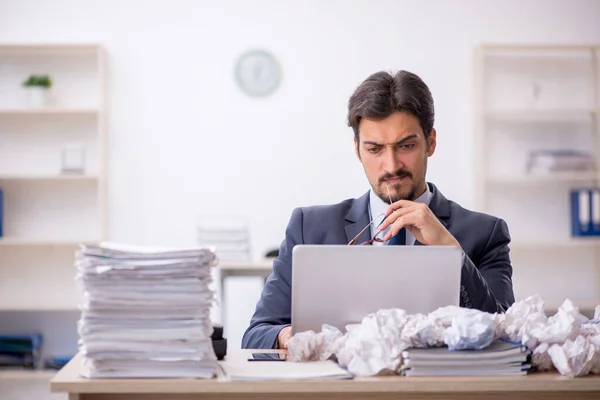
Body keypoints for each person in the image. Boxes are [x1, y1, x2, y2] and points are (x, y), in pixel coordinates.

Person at [241, 70, 515, 350]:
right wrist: (290, 336)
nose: (392, 165)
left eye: (406, 146)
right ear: (357, 150)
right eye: (375, 149)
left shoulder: (486, 233)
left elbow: (506, 336)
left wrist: (452, 252)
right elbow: (257, 333)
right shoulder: (308, 227)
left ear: (430, 142)